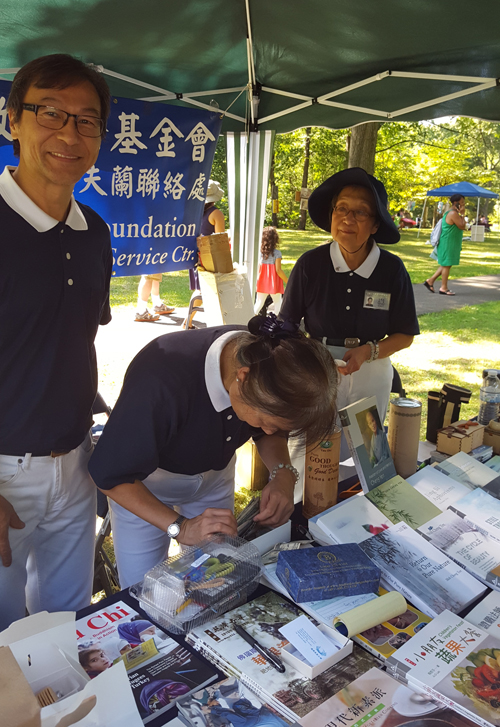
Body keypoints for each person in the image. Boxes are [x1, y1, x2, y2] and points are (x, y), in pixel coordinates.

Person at [89, 314, 338, 587]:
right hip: (142, 488)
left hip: (214, 479)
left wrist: (283, 474)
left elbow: (273, 431)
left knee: (215, 582)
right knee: (144, 589)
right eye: (266, 422)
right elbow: (110, 474)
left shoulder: (266, 361)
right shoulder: (161, 379)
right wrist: (180, 527)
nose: (267, 432)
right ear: (242, 378)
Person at [0, 54, 112, 630]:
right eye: (51, 113)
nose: (70, 134)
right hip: (3, 474)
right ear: (12, 120)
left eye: (87, 121)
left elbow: (73, 343)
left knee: (67, 631)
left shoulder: (95, 233)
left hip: (75, 465)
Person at [280, 167, 419, 461]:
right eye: (341, 208)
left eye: (360, 212)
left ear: (375, 225)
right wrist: (313, 355)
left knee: (365, 456)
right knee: (310, 451)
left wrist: (369, 351)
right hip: (317, 371)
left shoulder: (391, 270)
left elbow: (405, 334)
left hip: (372, 369)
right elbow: (287, 326)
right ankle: (301, 503)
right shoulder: (310, 265)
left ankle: (358, 503)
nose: (347, 218)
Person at [184, 179, 226, 329]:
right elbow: (220, 238)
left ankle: (188, 321)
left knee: (199, 290)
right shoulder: (216, 214)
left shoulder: (194, 213)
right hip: (210, 256)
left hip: (195, 254)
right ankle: (188, 322)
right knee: (208, 289)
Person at [424, 194, 466, 296]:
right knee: (446, 265)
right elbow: (462, 226)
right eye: (462, 203)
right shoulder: (452, 214)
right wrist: (463, 214)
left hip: (451, 243)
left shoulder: (454, 213)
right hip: (447, 243)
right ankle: (443, 288)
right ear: (456, 203)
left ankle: (430, 281)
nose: (464, 205)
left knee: (446, 264)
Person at [254, 227, 288, 316]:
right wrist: (287, 281)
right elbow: (278, 270)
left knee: (259, 302)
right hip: (274, 282)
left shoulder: (259, 253)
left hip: (261, 280)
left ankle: (249, 320)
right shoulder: (277, 253)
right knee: (278, 302)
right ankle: (276, 320)